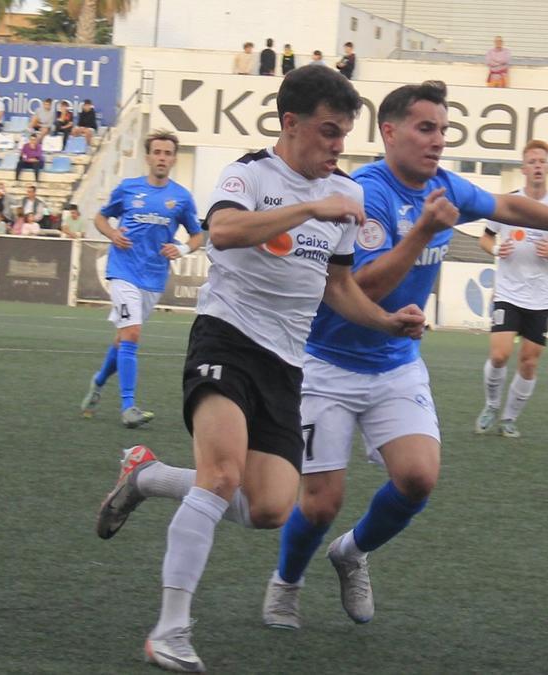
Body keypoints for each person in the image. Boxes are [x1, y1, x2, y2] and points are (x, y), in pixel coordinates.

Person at [91, 80, 548, 641]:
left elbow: (504, 206)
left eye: (443, 130)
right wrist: (416, 234)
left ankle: (350, 554)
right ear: (391, 131)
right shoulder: (356, 193)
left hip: (386, 361)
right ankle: (266, 588)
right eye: (426, 128)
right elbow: (358, 283)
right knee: (308, 499)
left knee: (409, 479)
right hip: (317, 361)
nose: (438, 141)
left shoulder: (423, 188)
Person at [98, 67, 428, 672]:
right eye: (328, 132)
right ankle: (169, 630)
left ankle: (144, 477)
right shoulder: (248, 173)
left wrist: (384, 320)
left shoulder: (346, 195)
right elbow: (221, 232)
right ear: (290, 123)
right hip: (224, 340)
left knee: (270, 508)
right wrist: (308, 209)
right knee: (220, 477)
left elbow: (337, 286)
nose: (336, 146)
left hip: (285, 366)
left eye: (343, 136)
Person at [80, 129, 204, 430]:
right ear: (148, 157)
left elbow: (198, 234)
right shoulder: (128, 188)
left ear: (174, 159)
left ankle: (97, 383)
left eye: (168, 153)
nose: (162, 158)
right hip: (123, 271)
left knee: (124, 337)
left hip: (153, 277)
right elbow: (100, 217)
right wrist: (112, 234)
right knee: (132, 334)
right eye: (157, 152)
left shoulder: (181, 197)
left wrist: (183, 248)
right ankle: (128, 406)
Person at [475, 139, 548, 438]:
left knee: (529, 363)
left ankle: (509, 417)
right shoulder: (506, 203)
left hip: (541, 296)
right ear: (523, 168)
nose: (537, 166)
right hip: (508, 292)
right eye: (531, 161)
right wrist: (496, 251)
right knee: (499, 355)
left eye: (541, 161)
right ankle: (492, 405)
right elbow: (485, 239)